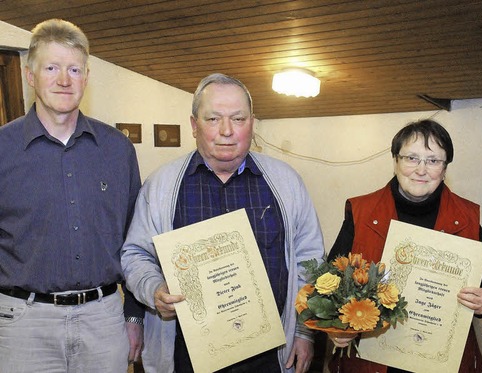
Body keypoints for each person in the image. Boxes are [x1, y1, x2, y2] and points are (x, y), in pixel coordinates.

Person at [121, 73, 325, 373]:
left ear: (252, 123)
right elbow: (135, 255)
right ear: (194, 125)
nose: (227, 131)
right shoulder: (161, 186)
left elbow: (309, 259)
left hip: (268, 354)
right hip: (186, 355)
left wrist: (305, 331)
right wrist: (153, 289)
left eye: (238, 119)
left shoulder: (286, 183)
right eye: (213, 119)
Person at [0, 18, 144, 372]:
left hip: (104, 320)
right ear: (31, 76)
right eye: (51, 68)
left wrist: (135, 315)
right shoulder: (3, 148)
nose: (64, 80)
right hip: (23, 325)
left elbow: (136, 240)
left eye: (74, 69)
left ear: (86, 77)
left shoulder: (117, 149)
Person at [326, 119, 482, 373]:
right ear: (395, 160)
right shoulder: (361, 212)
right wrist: (336, 328)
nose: (421, 170)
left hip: (442, 361)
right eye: (411, 158)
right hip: (373, 361)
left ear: (445, 167)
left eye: (433, 161)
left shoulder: (467, 217)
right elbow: (329, 285)